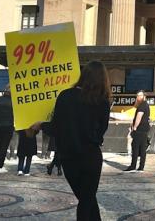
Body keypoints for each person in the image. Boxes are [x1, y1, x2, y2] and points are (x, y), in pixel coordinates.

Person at [35, 60, 111, 220]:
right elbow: (101, 131)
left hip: (70, 157)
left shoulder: (66, 96)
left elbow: (56, 128)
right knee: (87, 199)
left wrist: (41, 125)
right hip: (91, 156)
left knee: (86, 199)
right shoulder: (103, 101)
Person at [124, 90, 150, 173]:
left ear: (144, 96)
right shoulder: (145, 105)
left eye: (139, 96)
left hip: (139, 130)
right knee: (142, 148)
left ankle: (133, 166)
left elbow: (139, 117)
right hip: (144, 129)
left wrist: (134, 128)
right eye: (137, 96)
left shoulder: (142, 105)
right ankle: (141, 167)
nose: (138, 97)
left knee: (135, 147)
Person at [0, 88, 14, 172]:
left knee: (0, 144)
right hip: (8, 126)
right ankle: (0, 164)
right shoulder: (14, 101)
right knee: (4, 145)